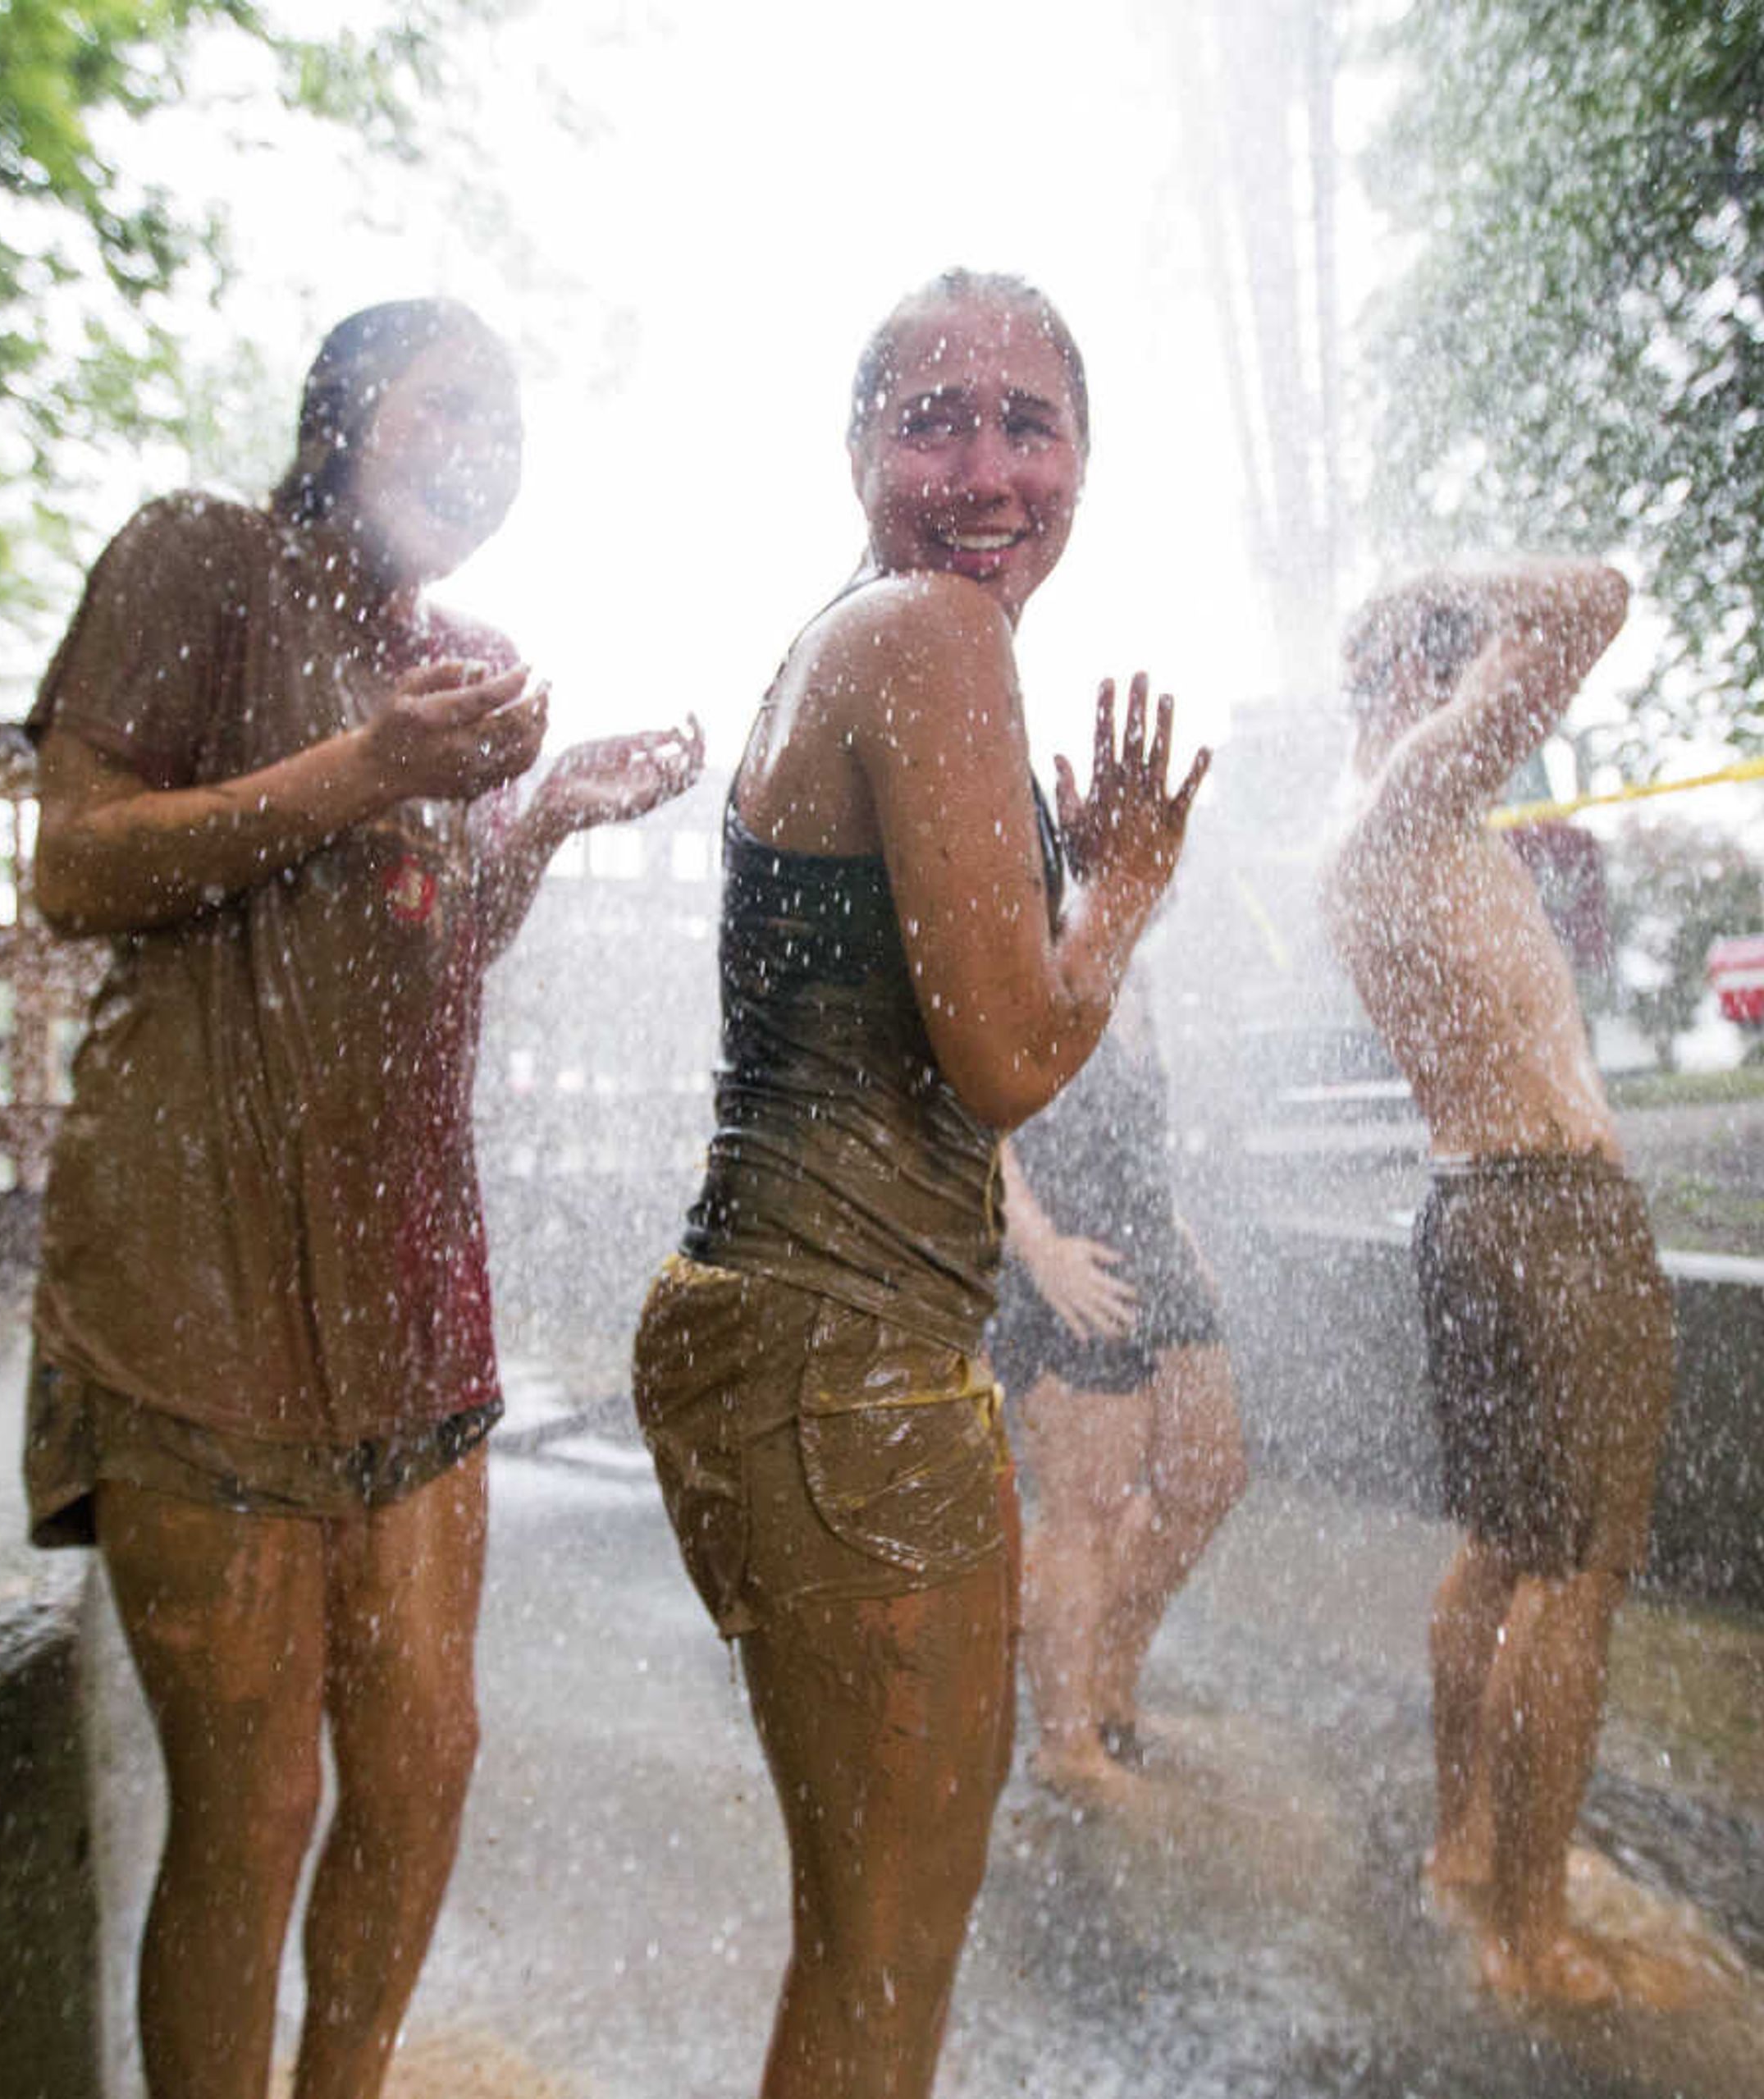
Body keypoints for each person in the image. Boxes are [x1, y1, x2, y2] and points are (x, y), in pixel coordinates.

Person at [21, 298, 703, 2099]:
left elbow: (433, 943)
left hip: (405, 1294)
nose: (481, 444)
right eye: (446, 405)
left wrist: (538, 817)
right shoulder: (204, 560)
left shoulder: (458, 654)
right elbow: (75, 864)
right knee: (256, 1803)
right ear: (340, 416)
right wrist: (374, 768)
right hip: (198, 1279)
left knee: (422, 1766)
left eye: (511, 423)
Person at [628, 271, 1206, 2099]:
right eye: (932, 419)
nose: (983, 468)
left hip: (791, 1345)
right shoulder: (931, 637)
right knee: (887, 1964)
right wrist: (1122, 891)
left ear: (1086, 458)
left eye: (1028, 423)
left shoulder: (855, 640)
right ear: (857, 449)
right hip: (849, 1370)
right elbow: (1013, 1059)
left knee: (863, 1943)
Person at [1319, 560, 1666, 2010]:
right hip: (1553, 1209)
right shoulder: (1414, 784)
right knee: (1574, 1576)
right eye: (1466, 677)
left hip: (1468, 1200)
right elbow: (1595, 597)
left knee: (1497, 1546)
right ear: (1423, 682)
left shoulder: (1367, 834)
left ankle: (1468, 1843)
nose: (1497, 705)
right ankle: (1534, 1935)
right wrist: (1444, 594)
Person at [990, 967, 1246, 1800]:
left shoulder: (1131, 961)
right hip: (1071, 1255)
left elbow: (1131, 1130)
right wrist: (1038, 1249)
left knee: (1208, 1474)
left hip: (1152, 1245)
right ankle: (1068, 1743)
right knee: (1086, 1508)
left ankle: (1110, 1677)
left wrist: (1174, 1228)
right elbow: (975, 1111)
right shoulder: (1034, 925)